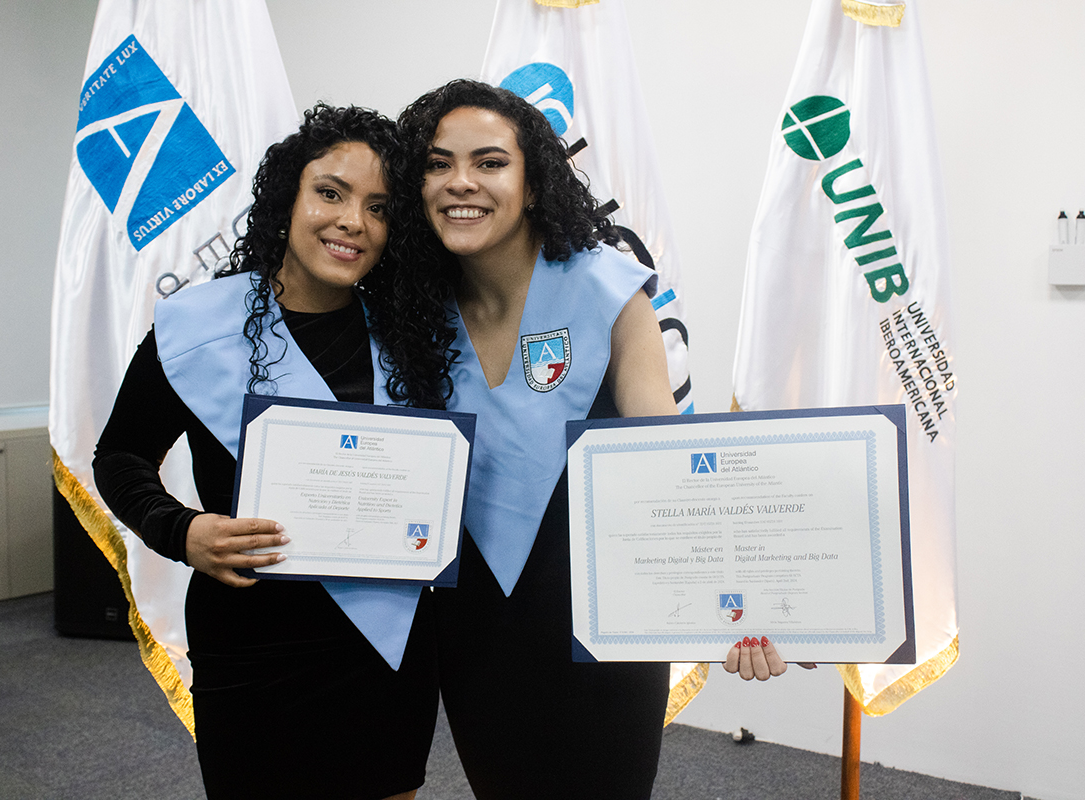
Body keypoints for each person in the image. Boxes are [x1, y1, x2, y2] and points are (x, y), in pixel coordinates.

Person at [397, 80, 801, 799]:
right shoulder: (411, 308)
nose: (461, 181)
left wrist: (749, 599)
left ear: (531, 180)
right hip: (475, 628)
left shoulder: (610, 290)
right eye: (437, 163)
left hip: (604, 626)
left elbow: (671, 472)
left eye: (490, 162)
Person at [93, 104, 456, 800]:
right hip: (251, 640)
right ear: (287, 196)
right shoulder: (199, 324)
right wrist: (183, 530)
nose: (352, 220)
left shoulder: (417, 338)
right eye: (330, 192)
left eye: (378, 208)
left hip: (385, 644)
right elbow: (120, 455)